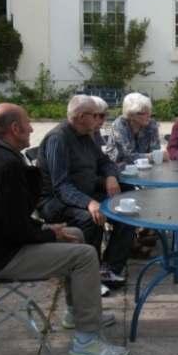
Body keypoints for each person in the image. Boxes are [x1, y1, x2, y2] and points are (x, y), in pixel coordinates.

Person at [0, 103, 129, 355]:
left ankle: (76, 313)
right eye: (27, 123)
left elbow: (9, 219)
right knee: (83, 256)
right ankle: (87, 341)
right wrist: (50, 233)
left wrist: (47, 229)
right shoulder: (5, 165)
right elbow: (14, 229)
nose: (31, 128)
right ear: (14, 129)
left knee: (77, 234)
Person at [36, 95, 134, 286]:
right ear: (81, 116)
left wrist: (111, 177)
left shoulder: (85, 136)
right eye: (96, 115)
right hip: (55, 202)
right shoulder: (59, 139)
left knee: (128, 207)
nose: (99, 120)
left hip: (84, 192)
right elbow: (61, 186)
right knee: (90, 218)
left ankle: (109, 268)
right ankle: (88, 273)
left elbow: (104, 162)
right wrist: (89, 203)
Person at [105, 92, 168, 164]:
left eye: (149, 112)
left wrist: (158, 155)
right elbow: (127, 157)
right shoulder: (120, 125)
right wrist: (152, 157)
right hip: (118, 168)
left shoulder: (151, 124)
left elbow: (156, 151)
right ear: (131, 114)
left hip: (145, 167)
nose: (149, 115)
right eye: (144, 113)